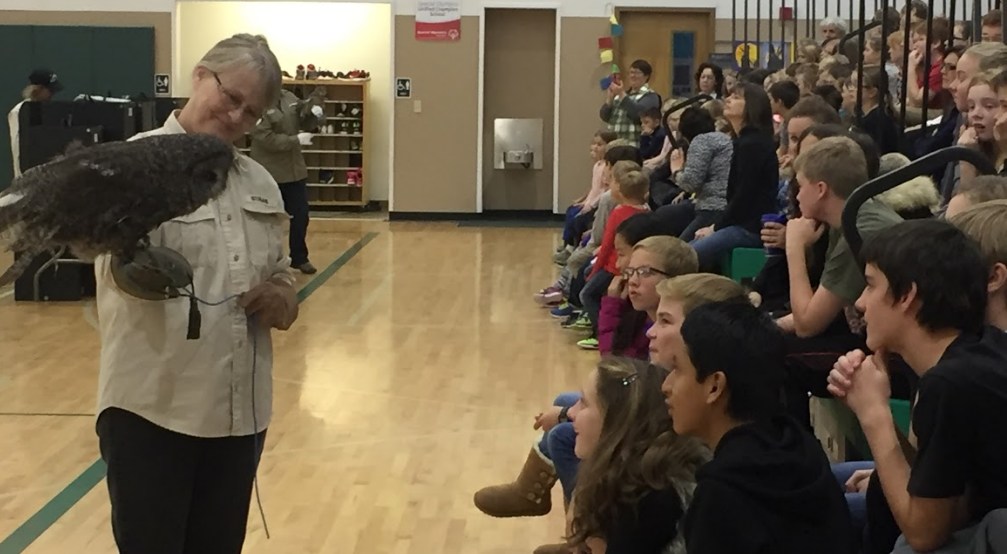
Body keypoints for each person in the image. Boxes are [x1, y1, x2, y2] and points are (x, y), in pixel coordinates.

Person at [93, 33, 298, 554]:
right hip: (153, 409)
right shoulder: (129, 166)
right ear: (201, 75)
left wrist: (282, 294)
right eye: (231, 98)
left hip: (239, 413)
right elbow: (107, 268)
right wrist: (138, 268)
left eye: (251, 113)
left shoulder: (259, 181)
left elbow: (282, 269)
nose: (236, 118)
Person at [828, 219, 1007, 553]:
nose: (862, 302)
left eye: (870, 285)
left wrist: (874, 414)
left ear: (907, 295)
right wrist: (869, 402)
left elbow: (925, 534)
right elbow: (940, 495)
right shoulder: (979, 350)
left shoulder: (951, 383)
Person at [663, 301, 855, 554]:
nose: (666, 385)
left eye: (677, 369)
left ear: (714, 386)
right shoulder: (799, 444)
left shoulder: (721, 495)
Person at [565, 358, 709, 554]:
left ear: (616, 422)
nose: (571, 412)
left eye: (583, 402)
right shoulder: (638, 475)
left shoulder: (648, 501)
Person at [689, 83, 779, 270]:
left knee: (685, 258)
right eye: (729, 96)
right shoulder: (746, 141)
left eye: (737, 97)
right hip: (741, 224)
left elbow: (744, 196)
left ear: (752, 106)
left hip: (750, 229)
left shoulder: (752, 144)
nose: (728, 99)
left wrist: (715, 227)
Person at [250, 85, 326, 274]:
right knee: (266, 220)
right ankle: (267, 261)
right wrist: (296, 140)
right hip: (269, 173)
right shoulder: (257, 102)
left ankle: (299, 257)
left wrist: (313, 114)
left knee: (301, 216)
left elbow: (302, 120)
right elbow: (265, 138)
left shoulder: (289, 96)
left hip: (294, 171)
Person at [665, 106, 733, 241]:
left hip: (712, 207)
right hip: (723, 204)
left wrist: (676, 170)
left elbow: (690, 183)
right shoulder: (723, 138)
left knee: (680, 251)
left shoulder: (701, 141)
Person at [7, 69, 62, 179]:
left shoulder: (49, 110)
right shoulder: (19, 111)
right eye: (49, 90)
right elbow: (18, 148)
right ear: (38, 89)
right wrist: (21, 178)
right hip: (28, 177)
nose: (52, 94)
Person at [600, 60, 660, 143]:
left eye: (637, 73)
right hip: (614, 144)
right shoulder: (621, 95)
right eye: (631, 72)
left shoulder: (651, 96)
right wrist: (609, 99)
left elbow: (637, 115)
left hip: (633, 143)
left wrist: (621, 94)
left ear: (646, 76)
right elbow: (605, 117)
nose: (633, 76)